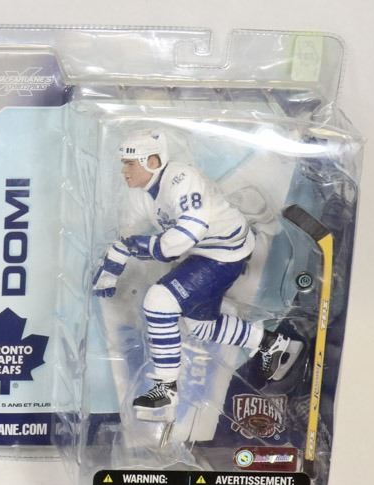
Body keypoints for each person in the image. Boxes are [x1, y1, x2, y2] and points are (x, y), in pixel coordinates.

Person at [92, 129, 303, 420]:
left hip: (224, 252)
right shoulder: (143, 195)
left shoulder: (180, 179)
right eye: (123, 163)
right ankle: (273, 344)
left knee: (159, 302)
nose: (123, 170)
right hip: (205, 253)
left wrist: (147, 246)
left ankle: (165, 388)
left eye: (130, 163)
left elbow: (187, 233)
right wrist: (111, 267)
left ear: (152, 161)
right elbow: (129, 239)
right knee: (201, 326)